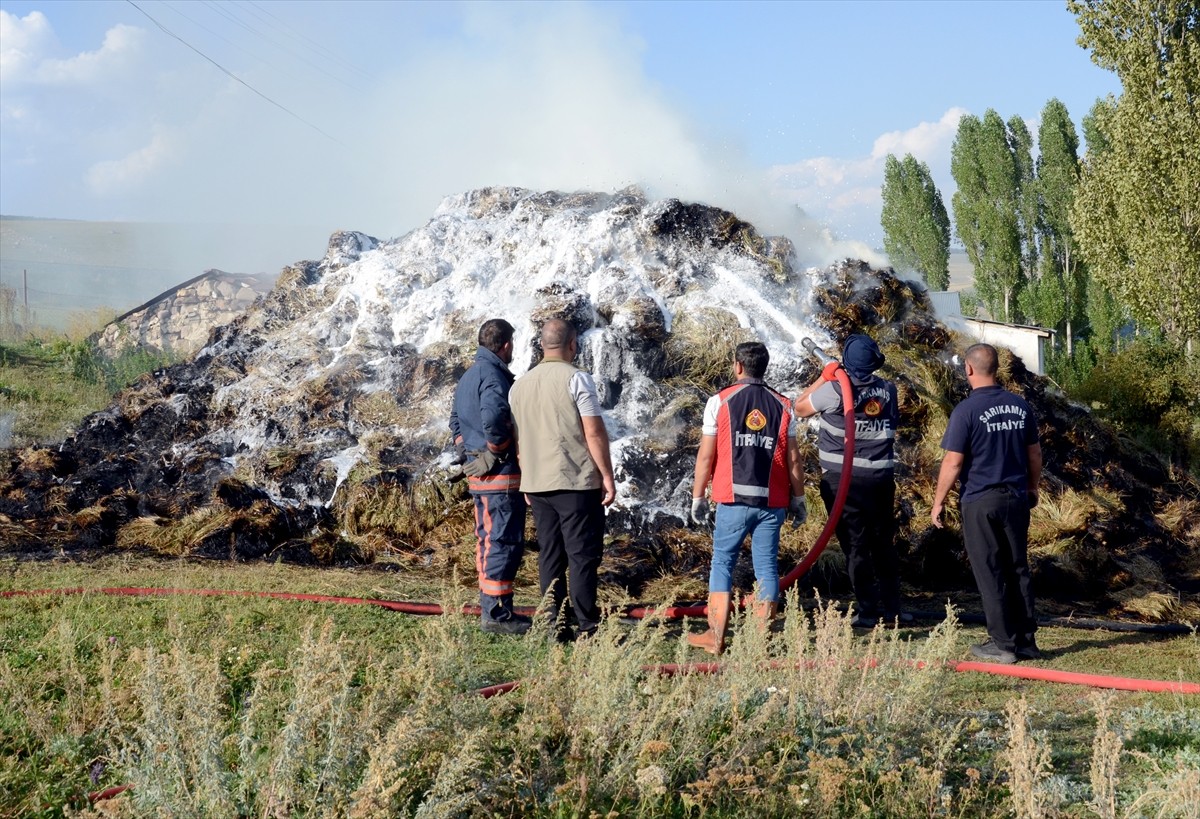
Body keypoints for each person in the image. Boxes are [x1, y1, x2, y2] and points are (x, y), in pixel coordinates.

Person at [688, 341, 806, 655]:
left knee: (723, 564)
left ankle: (715, 636)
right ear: (763, 367)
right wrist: (799, 498)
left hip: (732, 500)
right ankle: (760, 642)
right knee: (766, 568)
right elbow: (794, 460)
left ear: (738, 366)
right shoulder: (784, 405)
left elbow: (705, 457)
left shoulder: (721, 400)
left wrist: (698, 496)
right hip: (772, 502)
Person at [931, 343, 1043, 664]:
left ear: (968, 369)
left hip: (980, 501)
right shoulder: (1020, 406)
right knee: (1018, 567)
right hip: (1016, 498)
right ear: (997, 368)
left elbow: (953, 462)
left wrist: (938, 502)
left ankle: (1003, 645)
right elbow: (1034, 454)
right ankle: (1026, 641)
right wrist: (1032, 488)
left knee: (990, 571)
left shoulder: (965, 411)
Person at [509, 318, 617, 642]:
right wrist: (608, 477)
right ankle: (588, 627)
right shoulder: (578, 379)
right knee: (581, 555)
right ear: (573, 344)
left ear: (542, 344)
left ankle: (555, 624)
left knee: (550, 553)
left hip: (537, 482)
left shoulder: (519, 386)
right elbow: (594, 432)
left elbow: (518, 438)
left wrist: (526, 475)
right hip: (574, 480)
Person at [793, 333, 905, 627]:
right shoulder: (888, 389)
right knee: (883, 543)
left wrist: (823, 377)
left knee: (855, 546)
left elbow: (799, 408)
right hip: (880, 480)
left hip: (845, 483)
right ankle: (893, 609)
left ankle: (869, 611)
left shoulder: (834, 391)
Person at [449, 318, 531, 635]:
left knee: (486, 540)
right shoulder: (494, 375)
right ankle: (498, 615)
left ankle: (489, 607)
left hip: (478, 478)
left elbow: (455, 420)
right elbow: (495, 416)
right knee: (504, 542)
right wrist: (495, 451)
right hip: (500, 478)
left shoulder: (469, 376)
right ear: (506, 344)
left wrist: (468, 451)